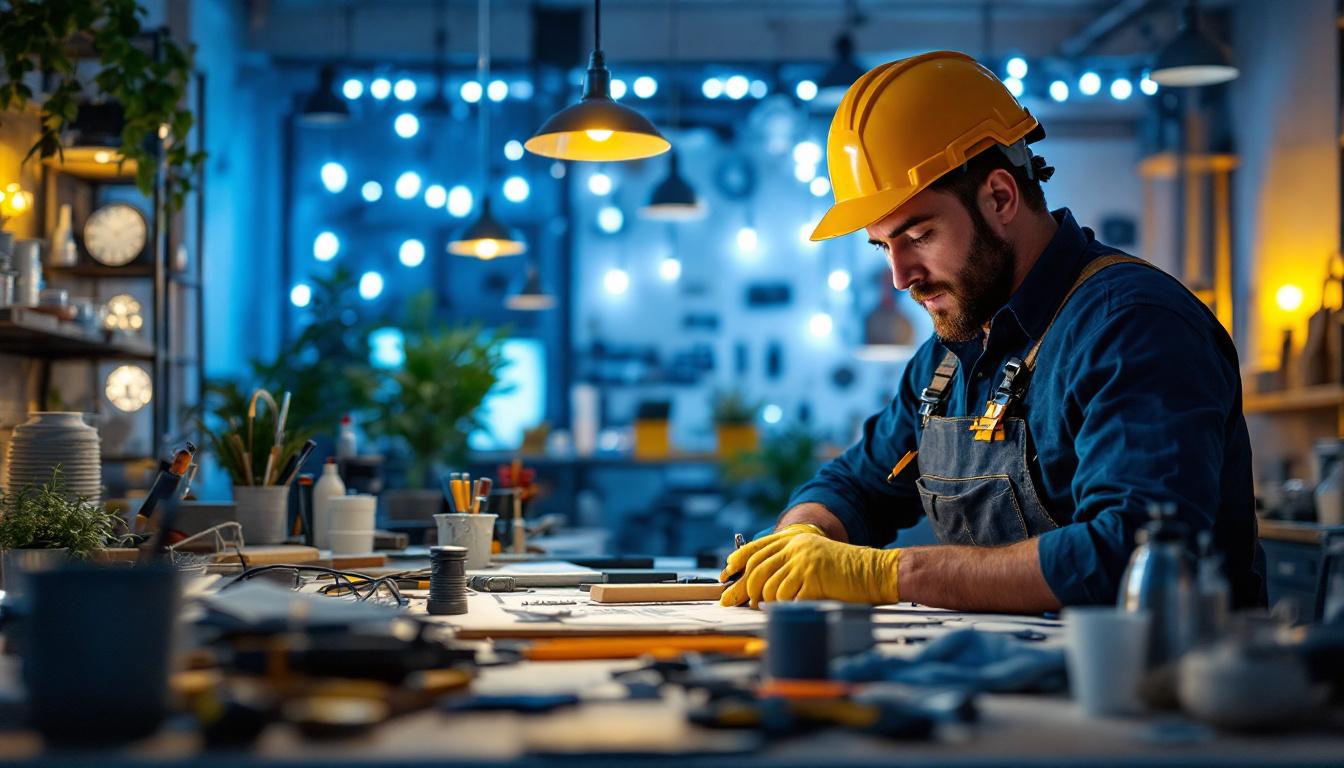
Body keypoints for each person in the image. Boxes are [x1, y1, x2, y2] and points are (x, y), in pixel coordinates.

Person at [720, 51, 1265, 613]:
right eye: (884, 247)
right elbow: (855, 485)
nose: (900, 277)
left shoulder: (1133, 325)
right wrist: (801, 534)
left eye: (920, 236)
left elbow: (1128, 555)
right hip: (1022, 665)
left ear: (1000, 198)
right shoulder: (948, 359)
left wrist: (890, 573)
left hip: (1157, 668)